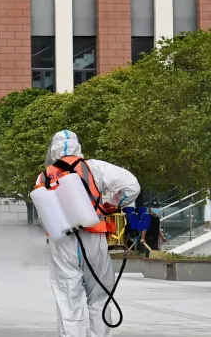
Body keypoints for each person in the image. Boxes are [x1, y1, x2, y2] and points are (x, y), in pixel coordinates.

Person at [36, 130, 139, 337]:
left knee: (67, 297)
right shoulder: (94, 167)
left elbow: (44, 213)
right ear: (78, 146)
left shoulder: (44, 176)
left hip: (62, 241)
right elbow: (131, 187)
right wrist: (109, 206)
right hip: (94, 236)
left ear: (53, 149)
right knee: (100, 295)